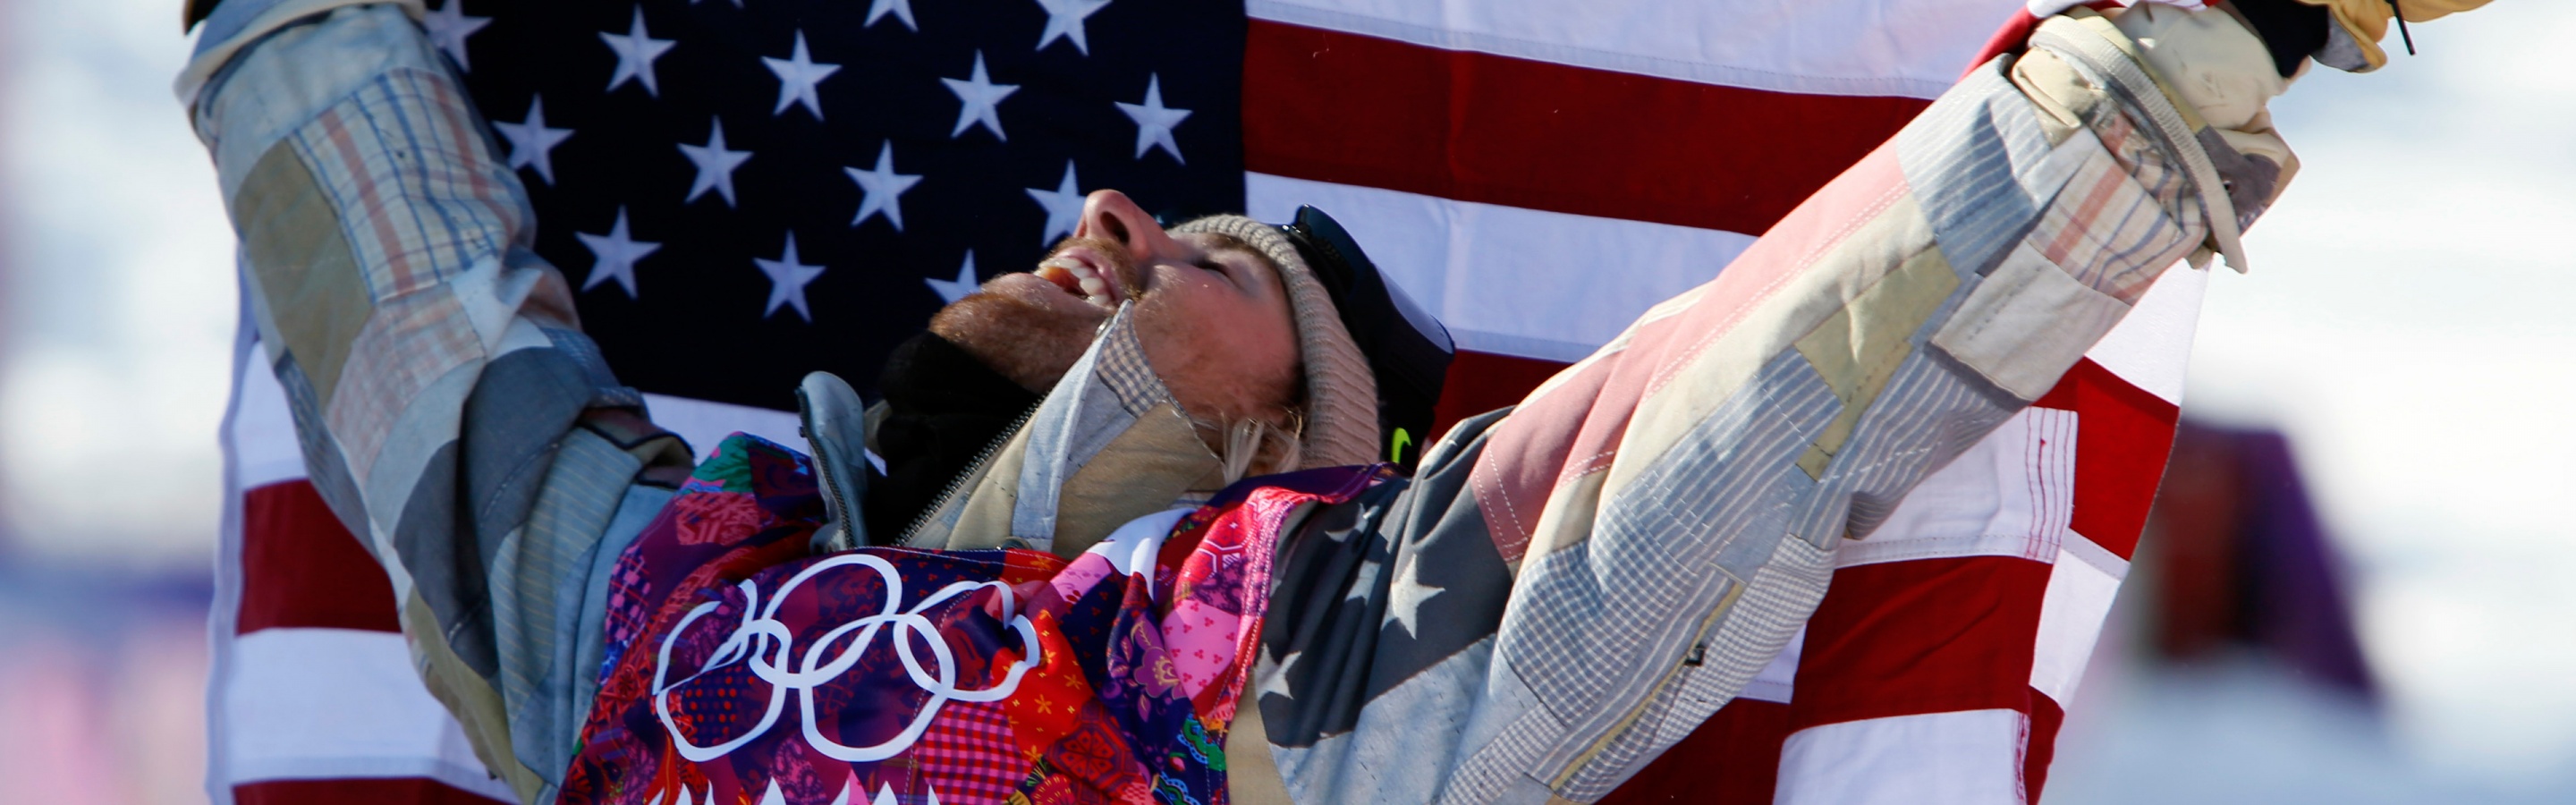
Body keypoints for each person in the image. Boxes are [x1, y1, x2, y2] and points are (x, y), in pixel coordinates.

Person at [179, 1, 2486, 803]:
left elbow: (1762, 415)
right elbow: (411, 322)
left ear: (1292, 471)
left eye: (1218, 282)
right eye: (1091, 271)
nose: (1108, 231)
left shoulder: (1264, 692)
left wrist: (2175, 68)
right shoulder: (670, 639)